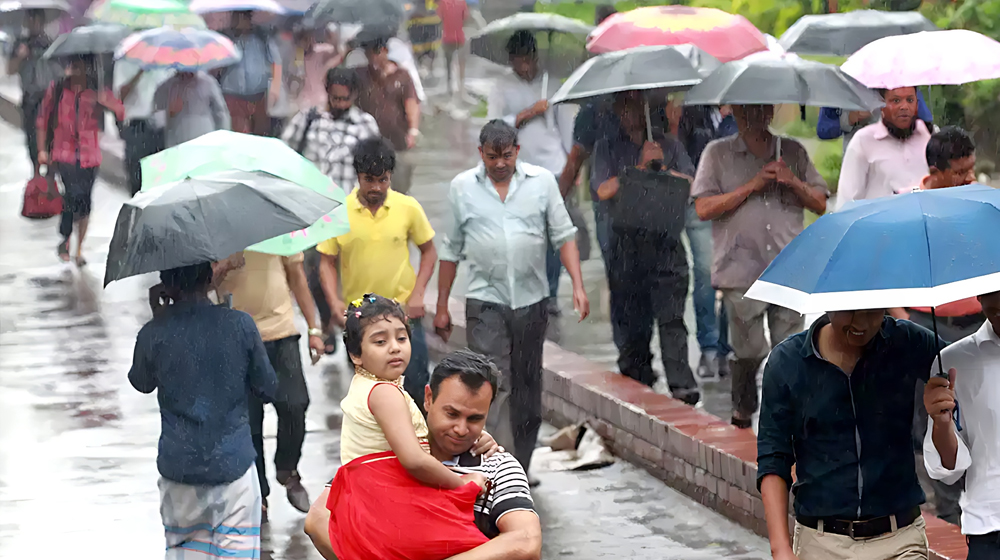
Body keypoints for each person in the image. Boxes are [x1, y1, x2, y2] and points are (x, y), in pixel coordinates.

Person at [436, 119, 590, 476]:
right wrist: (442, 305)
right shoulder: (462, 188)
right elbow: (450, 249)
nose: (500, 164)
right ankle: (500, 468)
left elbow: (563, 235)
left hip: (532, 301)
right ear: (481, 154)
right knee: (494, 383)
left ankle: (521, 461)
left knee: (527, 385)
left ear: (517, 152)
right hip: (484, 300)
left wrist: (578, 287)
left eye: (506, 155)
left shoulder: (542, 184)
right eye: (493, 157)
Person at [304, 349, 541, 560]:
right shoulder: (388, 452)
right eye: (451, 414)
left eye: (474, 419)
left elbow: (526, 541)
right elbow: (318, 520)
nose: (460, 429)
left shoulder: (496, 466)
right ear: (428, 399)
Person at [758, 309, 944, 560]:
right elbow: (773, 457)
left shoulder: (907, 342)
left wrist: (942, 410)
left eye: (872, 312)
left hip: (900, 540)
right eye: (850, 312)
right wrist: (780, 549)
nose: (861, 323)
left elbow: (973, 368)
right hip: (821, 543)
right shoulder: (788, 362)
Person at [322, 296, 496, 559]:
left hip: (367, 500)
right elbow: (414, 460)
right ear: (355, 354)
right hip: (389, 496)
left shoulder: (367, 386)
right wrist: (463, 483)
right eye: (380, 341)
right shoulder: (384, 393)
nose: (394, 348)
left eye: (401, 339)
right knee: (478, 547)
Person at [691, 104, 827, 428]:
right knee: (748, 350)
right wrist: (751, 186)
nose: (752, 115)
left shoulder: (792, 151)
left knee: (791, 347)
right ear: (734, 113)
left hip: (788, 265)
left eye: (760, 108)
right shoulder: (717, 153)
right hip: (740, 267)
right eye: (745, 109)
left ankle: (788, 417)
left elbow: (820, 203)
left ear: (771, 111)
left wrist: (791, 180)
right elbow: (703, 208)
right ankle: (743, 407)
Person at [128, 263, 277, 559]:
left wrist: (158, 319)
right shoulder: (239, 324)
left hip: (179, 469)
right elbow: (268, 388)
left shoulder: (154, 333)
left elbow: (141, 383)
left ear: (165, 286)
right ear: (209, 278)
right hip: (233, 464)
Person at [592, 91, 700, 405]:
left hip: (666, 243)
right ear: (616, 110)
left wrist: (662, 169)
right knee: (633, 325)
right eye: (624, 106)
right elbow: (603, 190)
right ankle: (636, 383)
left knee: (672, 321)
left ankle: (681, 388)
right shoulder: (607, 147)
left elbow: (693, 184)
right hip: (627, 246)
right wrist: (638, 169)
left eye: (637, 105)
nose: (631, 113)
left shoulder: (670, 146)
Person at [317, 137, 437, 406]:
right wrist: (334, 303)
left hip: (403, 313)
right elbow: (326, 262)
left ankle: (417, 445)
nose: (376, 187)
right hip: (360, 318)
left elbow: (429, 251)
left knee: (416, 386)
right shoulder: (339, 213)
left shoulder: (407, 208)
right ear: (358, 176)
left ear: (390, 176)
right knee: (369, 394)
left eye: (383, 180)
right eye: (369, 180)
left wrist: (418, 294)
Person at [216, 250, 325, 521]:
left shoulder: (275, 224)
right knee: (249, 421)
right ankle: (258, 493)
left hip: (282, 332)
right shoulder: (216, 230)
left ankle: (287, 469)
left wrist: (314, 329)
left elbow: (297, 277)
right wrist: (225, 265)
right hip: (237, 336)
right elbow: (203, 285)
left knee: (295, 403)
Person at [487, 30, 576, 314]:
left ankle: (549, 293)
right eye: (518, 61)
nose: (524, 66)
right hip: (519, 171)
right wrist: (527, 114)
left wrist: (570, 173)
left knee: (555, 236)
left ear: (536, 58)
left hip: (553, 168)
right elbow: (493, 128)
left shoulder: (553, 86)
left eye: (528, 60)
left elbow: (567, 132)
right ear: (512, 61)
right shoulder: (501, 87)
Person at [924, 291, 1000, 560]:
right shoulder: (955, 361)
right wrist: (941, 424)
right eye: (993, 292)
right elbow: (948, 470)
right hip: (991, 530)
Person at [36, 54, 124, 266]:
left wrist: (106, 103)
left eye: (79, 65)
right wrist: (42, 150)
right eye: (72, 64)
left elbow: (121, 112)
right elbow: (42, 120)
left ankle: (79, 247)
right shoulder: (58, 89)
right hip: (64, 153)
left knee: (85, 201)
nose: (74, 69)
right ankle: (65, 236)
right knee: (72, 195)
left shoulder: (97, 92)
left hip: (89, 155)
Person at [677, 104, 737, 379]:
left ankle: (727, 347)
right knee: (704, 271)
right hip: (699, 202)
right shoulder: (691, 114)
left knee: (730, 274)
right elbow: (682, 157)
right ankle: (709, 346)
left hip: (733, 204)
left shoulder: (741, 116)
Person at [281, 67, 380, 194]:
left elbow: (376, 169)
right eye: (336, 98)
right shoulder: (308, 119)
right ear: (328, 92)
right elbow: (285, 152)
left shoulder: (365, 125)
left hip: (346, 201)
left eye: (345, 99)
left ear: (354, 95)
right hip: (310, 197)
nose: (340, 104)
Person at [836, 87, 933, 209]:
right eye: (896, 101)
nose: (904, 107)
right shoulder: (863, 141)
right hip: (879, 225)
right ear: (881, 104)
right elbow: (846, 204)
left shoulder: (927, 137)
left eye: (910, 100)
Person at [356, 36, 421, 194]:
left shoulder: (402, 75)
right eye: (368, 54)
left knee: (400, 188)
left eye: (375, 54)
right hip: (369, 143)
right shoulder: (361, 75)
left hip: (397, 140)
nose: (372, 59)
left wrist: (413, 130)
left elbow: (411, 102)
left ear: (384, 51)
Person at [7, 9, 61, 174]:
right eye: (31, 20)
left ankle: (51, 177)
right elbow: (10, 70)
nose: (34, 24)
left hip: (49, 100)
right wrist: (20, 56)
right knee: (32, 141)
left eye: (37, 20)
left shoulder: (50, 43)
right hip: (30, 100)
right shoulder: (20, 43)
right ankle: (36, 175)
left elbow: (59, 71)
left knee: (51, 141)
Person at [114, 62, 173, 195]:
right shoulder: (124, 62)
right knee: (137, 178)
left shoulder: (164, 62)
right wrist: (140, 71)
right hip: (137, 126)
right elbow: (120, 95)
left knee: (159, 180)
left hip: (159, 126)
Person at [220, 11, 282, 136]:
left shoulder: (263, 38)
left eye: (243, 17)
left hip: (259, 96)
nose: (239, 21)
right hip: (233, 96)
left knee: (261, 135)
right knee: (240, 136)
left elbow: (276, 62)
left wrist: (275, 90)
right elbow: (218, 66)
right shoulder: (225, 40)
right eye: (236, 17)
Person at [816, 89, 933, 156]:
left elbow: (926, 121)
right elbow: (823, 130)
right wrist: (849, 119)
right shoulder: (840, 86)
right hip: (858, 159)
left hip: (897, 159)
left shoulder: (900, 83)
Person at [153, 70, 230, 149]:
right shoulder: (168, 86)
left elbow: (221, 112)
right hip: (177, 142)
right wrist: (169, 109)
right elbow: (154, 116)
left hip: (204, 139)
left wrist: (224, 138)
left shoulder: (208, 82)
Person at [437, 0, 469, 99]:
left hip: (447, 38)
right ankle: (461, 86)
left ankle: (449, 85)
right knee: (461, 61)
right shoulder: (462, 2)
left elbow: (439, 17)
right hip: (459, 37)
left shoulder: (443, 3)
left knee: (448, 62)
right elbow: (465, 17)